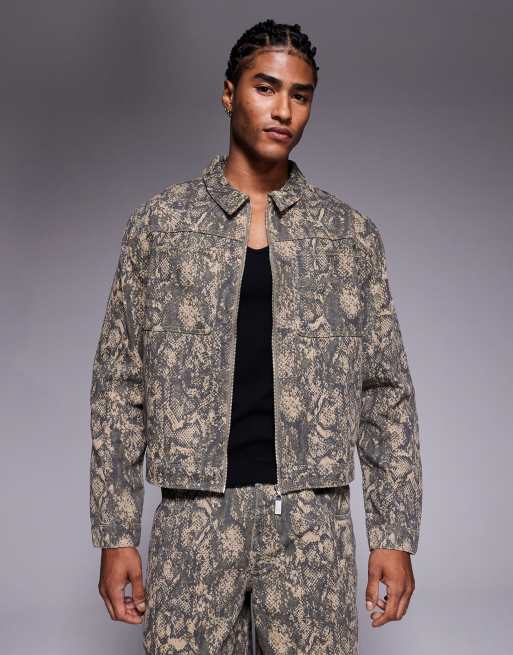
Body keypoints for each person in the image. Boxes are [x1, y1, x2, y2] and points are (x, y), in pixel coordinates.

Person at [89, 18, 423, 655]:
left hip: (312, 524)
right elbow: (119, 386)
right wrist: (116, 531)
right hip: (192, 520)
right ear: (228, 93)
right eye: (265, 88)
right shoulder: (162, 225)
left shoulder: (347, 235)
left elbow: (385, 393)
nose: (283, 110)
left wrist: (393, 533)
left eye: (300, 95)